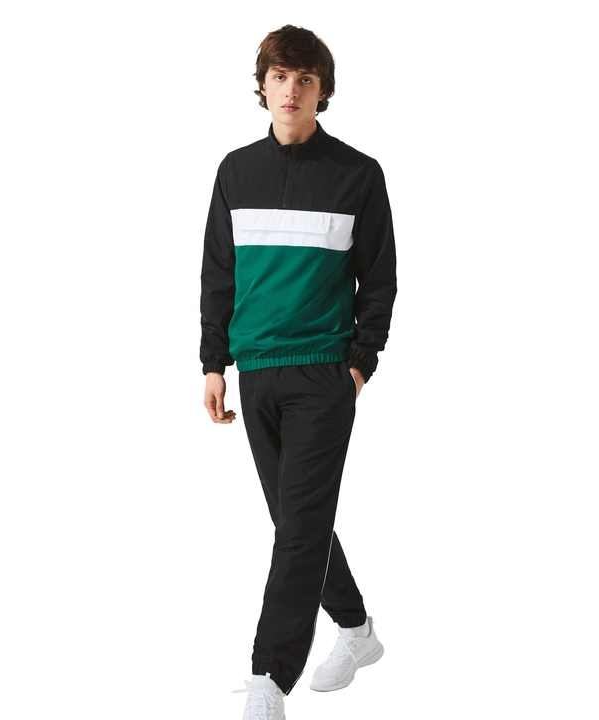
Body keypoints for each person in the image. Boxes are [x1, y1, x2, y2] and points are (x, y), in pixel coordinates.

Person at [200, 24, 397, 719]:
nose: (291, 90)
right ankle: (358, 631)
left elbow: (380, 280)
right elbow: (217, 273)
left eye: (305, 79)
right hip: (256, 372)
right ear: (263, 86)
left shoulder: (358, 175)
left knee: (300, 529)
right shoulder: (235, 172)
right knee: (297, 521)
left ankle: (268, 679)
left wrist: (359, 364)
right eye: (280, 76)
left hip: (322, 374)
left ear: (323, 91)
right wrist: (214, 362)